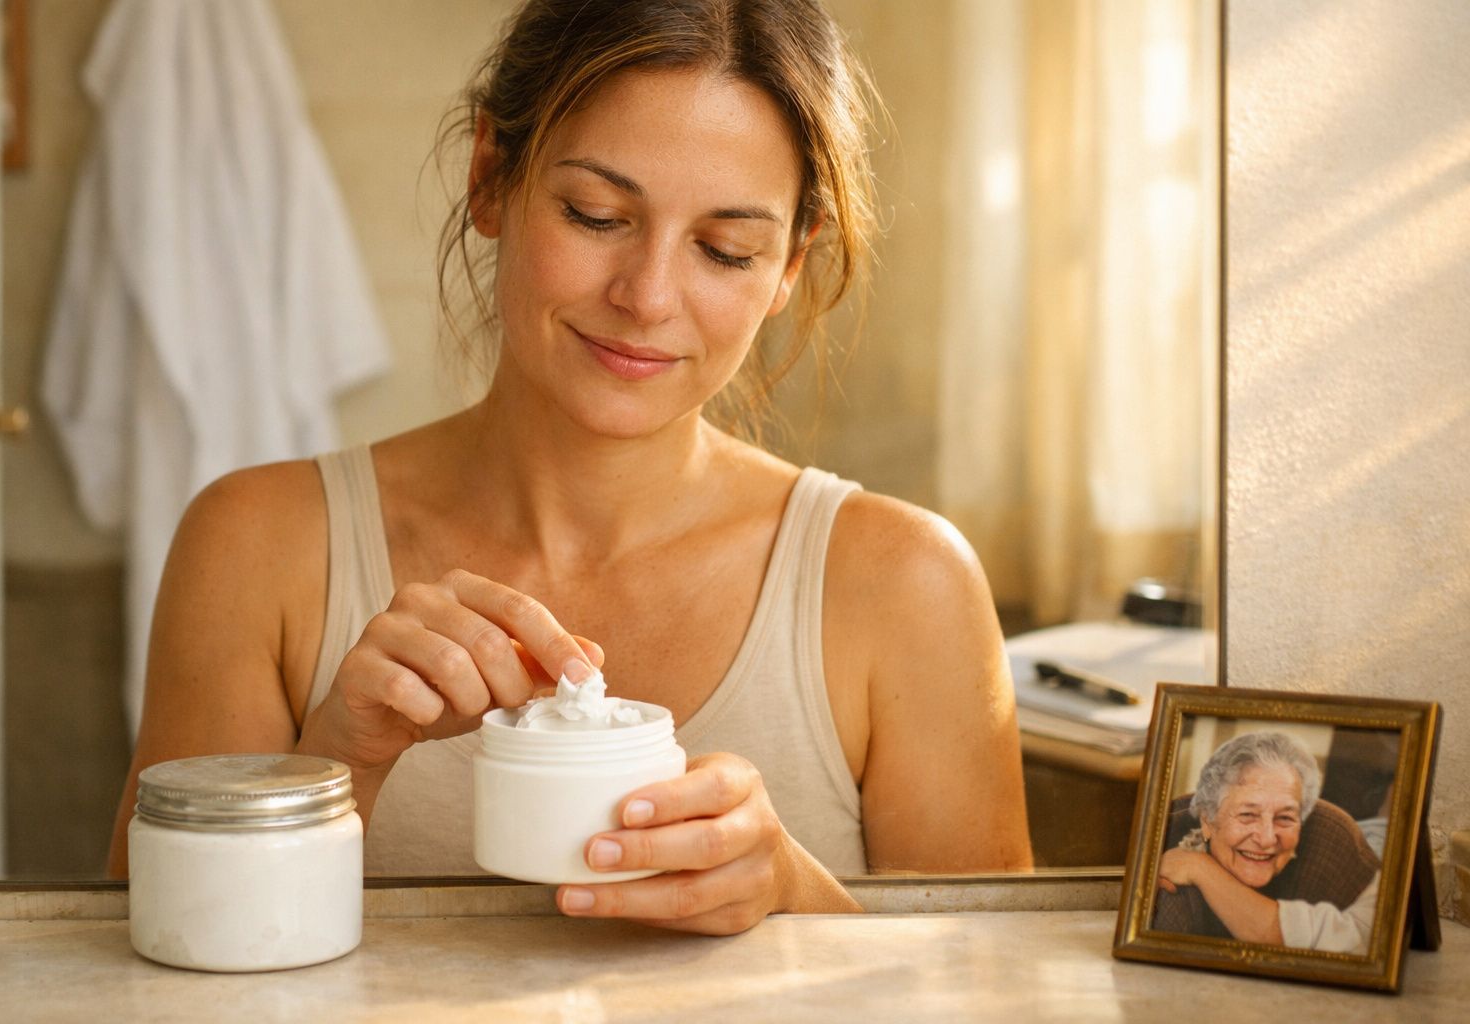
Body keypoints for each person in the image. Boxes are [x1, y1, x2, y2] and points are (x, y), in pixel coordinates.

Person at [106, 0, 1033, 935]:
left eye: (725, 249)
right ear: (490, 178)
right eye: (596, 216)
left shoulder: (908, 586)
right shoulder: (257, 545)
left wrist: (795, 894)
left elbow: (998, 994)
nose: (648, 296)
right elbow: (130, 967)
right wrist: (337, 759)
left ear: (790, 262)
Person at [1155, 731, 1380, 954]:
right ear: (1207, 820)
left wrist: (1199, 868)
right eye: (1247, 815)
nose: (1267, 839)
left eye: (1285, 818)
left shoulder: (1335, 848)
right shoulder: (1163, 847)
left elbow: (1365, 945)